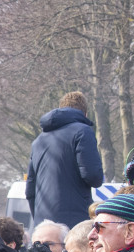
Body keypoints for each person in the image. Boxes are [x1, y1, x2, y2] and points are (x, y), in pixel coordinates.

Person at [26, 91, 107, 229]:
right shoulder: (83, 131)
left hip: (42, 226)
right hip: (74, 223)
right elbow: (93, 177)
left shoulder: (38, 141)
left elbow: (30, 190)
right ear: (84, 114)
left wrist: (40, 221)